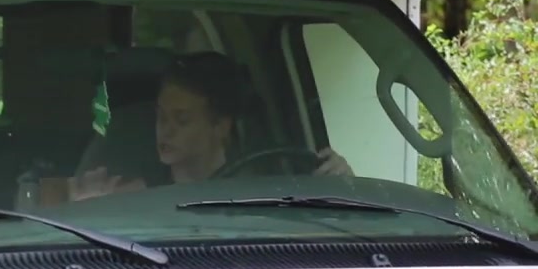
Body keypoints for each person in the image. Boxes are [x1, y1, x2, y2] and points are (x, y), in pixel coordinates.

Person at [72, 51, 352, 199]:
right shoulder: (137, 195)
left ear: (220, 126)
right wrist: (87, 206)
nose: (165, 130)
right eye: (161, 116)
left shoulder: (267, 189)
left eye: (182, 119)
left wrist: (344, 184)